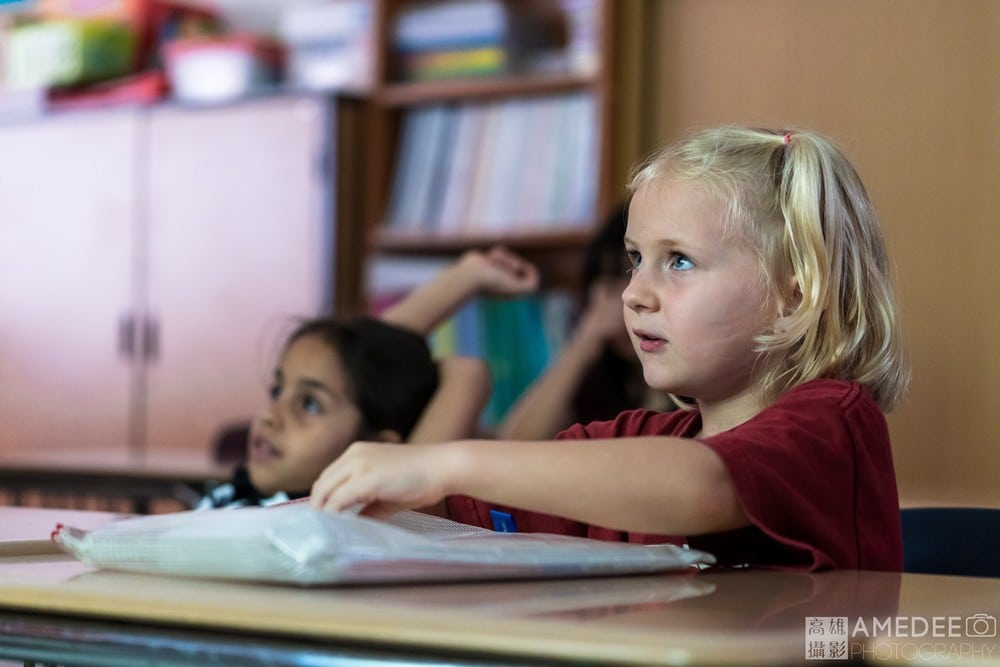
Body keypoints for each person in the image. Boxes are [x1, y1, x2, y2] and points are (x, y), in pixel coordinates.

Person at [309, 126, 910, 572]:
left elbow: (704, 487)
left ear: (794, 292)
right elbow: (462, 510)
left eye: (678, 261)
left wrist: (446, 461)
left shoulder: (833, 425)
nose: (634, 294)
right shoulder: (631, 441)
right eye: (634, 260)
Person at [198, 246, 539, 509]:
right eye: (277, 389)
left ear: (380, 450)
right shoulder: (243, 490)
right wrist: (467, 276)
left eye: (310, 404)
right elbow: (363, 357)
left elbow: (467, 374)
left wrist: (462, 373)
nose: (270, 416)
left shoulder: (341, 520)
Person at [497, 201, 674, 441]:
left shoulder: (687, 388)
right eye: (604, 281)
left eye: (623, 276)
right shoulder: (597, 378)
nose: (627, 297)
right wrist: (585, 341)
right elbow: (514, 442)